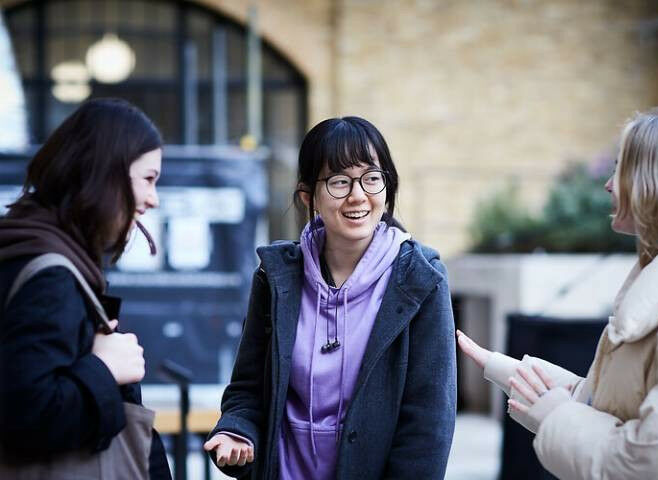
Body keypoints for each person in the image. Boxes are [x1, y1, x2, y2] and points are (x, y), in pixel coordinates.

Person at [457, 107, 658, 478]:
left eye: (621, 166)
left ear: (657, 180)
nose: (607, 184)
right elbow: (606, 406)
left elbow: (648, 466)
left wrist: (555, 414)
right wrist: (499, 367)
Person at [204, 116, 457, 479]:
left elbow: (430, 418)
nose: (358, 195)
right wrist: (235, 430)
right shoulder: (276, 276)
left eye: (371, 178)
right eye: (339, 181)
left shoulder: (421, 278)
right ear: (309, 195)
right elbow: (248, 389)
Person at [0, 98, 171, 479]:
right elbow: (27, 416)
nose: (153, 199)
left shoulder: (23, 248)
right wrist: (105, 368)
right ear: (105, 174)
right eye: (147, 178)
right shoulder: (49, 277)